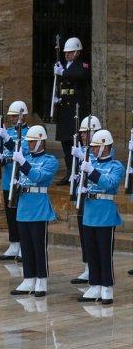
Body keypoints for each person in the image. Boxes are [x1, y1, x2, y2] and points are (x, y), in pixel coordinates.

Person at [7, 125, 58, 297]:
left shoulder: (50, 161)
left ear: (41, 142)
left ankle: (41, 279)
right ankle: (29, 278)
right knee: (26, 246)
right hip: (23, 206)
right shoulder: (26, 158)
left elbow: (37, 177)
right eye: (28, 141)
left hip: (38, 206)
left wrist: (23, 162)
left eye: (33, 141)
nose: (29, 144)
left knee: (38, 246)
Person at [77, 130, 124, 305]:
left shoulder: (116, 166)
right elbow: (82, 184)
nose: (94, 150)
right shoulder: (89, 164)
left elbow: (110, 184)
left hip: (105, 214)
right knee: (92, 252)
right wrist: (80, 189)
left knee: (104, 253)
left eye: (96, 147)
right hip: (89, 213)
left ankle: (107, 287)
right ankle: (95, 284)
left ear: (105, 146)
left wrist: (92, 172)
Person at [68, 116, 102, 284]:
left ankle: (97, 270)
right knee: (84, 235)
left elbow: (98, 167)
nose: (82, 136)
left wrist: (82, 156)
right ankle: (88, 266)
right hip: (82, 198)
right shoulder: (82, 148)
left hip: (95, 202)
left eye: (86, 132)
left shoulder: (101, 150)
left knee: (95, 238)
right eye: (81, 133)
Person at [54, 37, 91, 185]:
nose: (67, 55)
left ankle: (80, 172)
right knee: (66, 143)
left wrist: (63, 73)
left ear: (77, 52)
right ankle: (70, 173)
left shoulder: (83, 65)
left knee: (78, 143)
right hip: (64, 110)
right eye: (66, 53)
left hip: (76, 110)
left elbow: (80, 75)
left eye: (70, 52)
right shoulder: (62, 65)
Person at [0, 100, 30, 261]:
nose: (13, 119)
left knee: (20, 212)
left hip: (20, 178)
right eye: (11, 116)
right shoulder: (7, 131)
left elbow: (23, 151)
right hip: (8, 177)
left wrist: (7, 139)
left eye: (16, 116)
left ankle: (24, 245)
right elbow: (1, 152)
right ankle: (14, 243)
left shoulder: (30, 133)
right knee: (10, 212)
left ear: (23, 116)